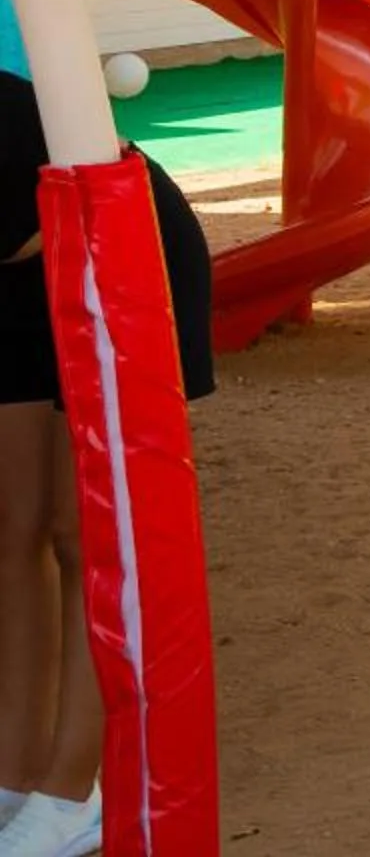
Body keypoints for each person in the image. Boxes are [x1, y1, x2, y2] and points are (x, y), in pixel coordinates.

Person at [0, 70, 215, 857]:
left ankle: (73, 792)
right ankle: (12, 775)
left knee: (81, 533)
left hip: (119, 251)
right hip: (18, 271)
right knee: (10, 530)